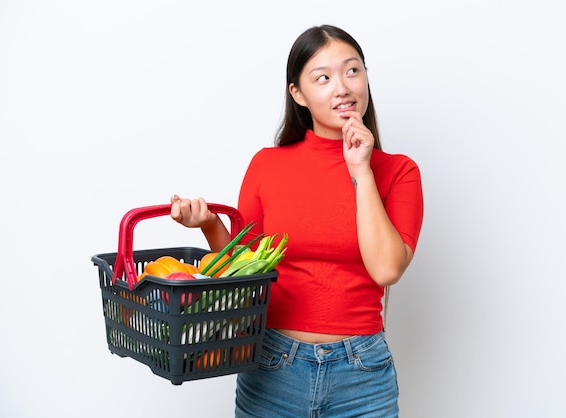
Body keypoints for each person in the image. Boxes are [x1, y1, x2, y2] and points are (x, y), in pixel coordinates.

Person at [171, 24, 423, 418]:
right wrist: (208, 225)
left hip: (362, 374)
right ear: (298, 94)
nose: (342, 87)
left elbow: (386, 268)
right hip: (273, 367)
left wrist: (360, 169)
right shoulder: (267, 166)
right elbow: (245, 273)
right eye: (323, 78)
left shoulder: (398, 171)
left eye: (352, 71)